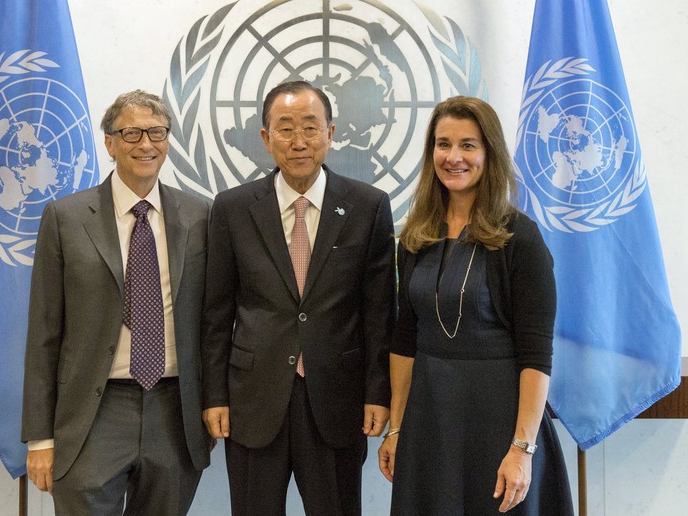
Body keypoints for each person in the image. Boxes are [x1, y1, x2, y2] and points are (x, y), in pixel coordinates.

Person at [201, 80, 395, 515]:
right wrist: (214, 395)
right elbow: (216, 313)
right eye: (285, 129)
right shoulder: (232, 208)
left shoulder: (368, 206)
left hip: (336, 401)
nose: (299, 141)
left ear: (331, 133)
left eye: (310, 127)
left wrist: (377, 393)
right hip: (253, 401)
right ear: (267, 139)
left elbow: (379, 313)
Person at [377, 96, 574, 515]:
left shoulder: (521, 239)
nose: (453, 157)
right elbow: (404, 341)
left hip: (499, 424)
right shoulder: (416, 236)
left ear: (490, 153)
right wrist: (396, 428)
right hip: (430, 423)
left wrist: (521, 448)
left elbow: (537, 355)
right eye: (443, 144)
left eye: (468, 145)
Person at [21, 90, 212, 514]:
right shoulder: (66, 217)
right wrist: (40, 437)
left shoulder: (202, 215)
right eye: (131, 133)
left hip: (174, 410)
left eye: (157, 132)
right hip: (93, 412)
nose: (146, 144)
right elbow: (44, 332)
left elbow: (213, 322)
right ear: (109, 143)